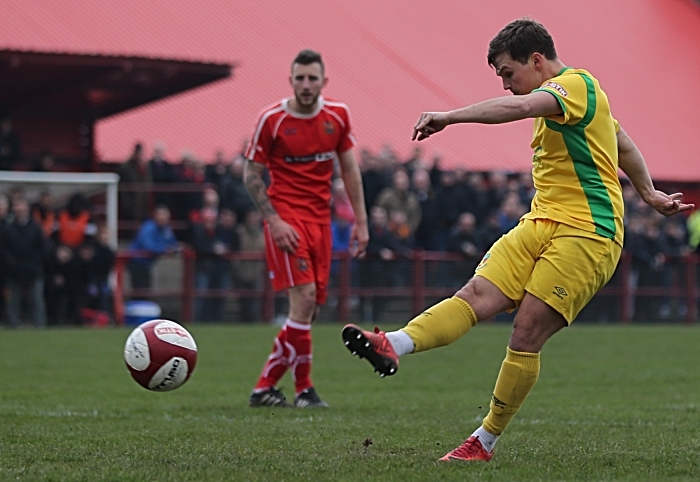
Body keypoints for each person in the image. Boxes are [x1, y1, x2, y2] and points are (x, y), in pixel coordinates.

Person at [341, 18, 694, 462]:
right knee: (475, 293)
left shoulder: (576, 85)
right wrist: (649, 193)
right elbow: (620, 141)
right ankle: (394, 344)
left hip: (589, 232)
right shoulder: (578, 101)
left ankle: (483, 441)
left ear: (537, 60)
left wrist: (449, 116)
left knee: (525, 330)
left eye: (509, 73)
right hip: (541, 222)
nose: (507, 85)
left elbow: (519, 109)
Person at [244, 49, 369, 408]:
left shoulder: (337, 116)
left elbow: (350, 170)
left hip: (321, 222)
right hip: (286, 219)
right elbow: (250, 174)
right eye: (299, 78)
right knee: (304, 301)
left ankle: (264, 387)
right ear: (290, 80)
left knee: (309, 311)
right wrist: (274, 220)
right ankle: (304, 390)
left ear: (323, 82)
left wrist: (361, 222)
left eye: (312, 78)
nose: (306, 84)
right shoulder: (272, 119)